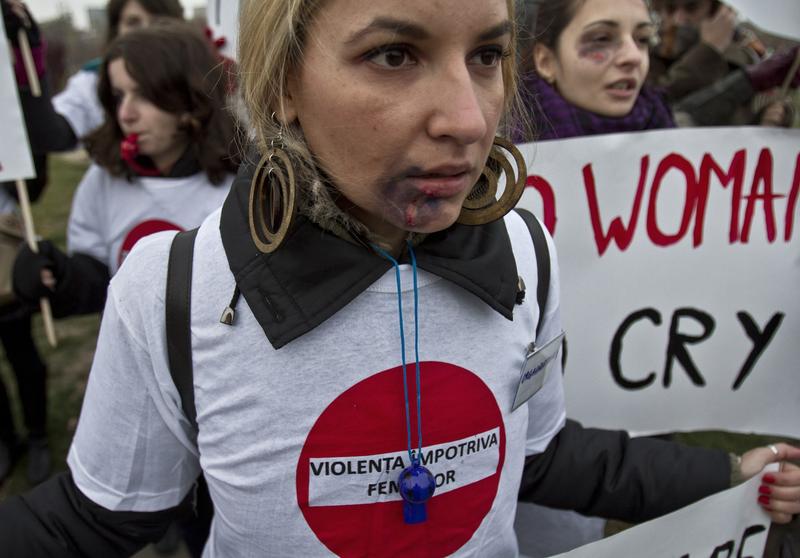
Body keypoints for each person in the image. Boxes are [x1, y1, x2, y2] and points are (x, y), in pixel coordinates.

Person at [0, 1, 798, 557]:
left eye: (486, 56)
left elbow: (541, 454)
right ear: (281, 83)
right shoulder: (174, 289)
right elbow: (89, 522)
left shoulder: (526, 249)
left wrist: (727, 474)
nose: (470, 119)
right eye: (394, 55)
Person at [8, 0, 184, 154]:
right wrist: (27, 56)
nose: (146, 32)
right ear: (116, 29)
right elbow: (48, 135)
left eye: (158, 22)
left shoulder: (196, 78)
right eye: (133, 22)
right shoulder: (93, 82)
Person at [519, 0, 674, 141]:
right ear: (546, 62)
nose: (634, 57)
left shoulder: (669, 128)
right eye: (602, 38)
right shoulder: (509, 153)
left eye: (643, 39)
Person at [648, 0, 800, 126]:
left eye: (691, 7)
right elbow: (658, 103)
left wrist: (770, 117)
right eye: (670, 8)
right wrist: (709, 50)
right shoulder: (647, 51)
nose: (679, 18)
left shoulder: (745, 53)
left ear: (719, 9)